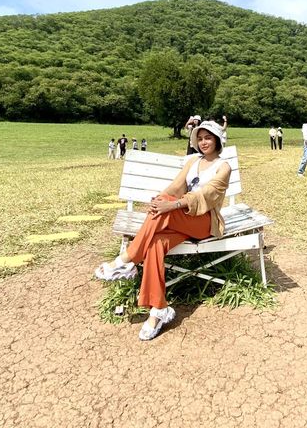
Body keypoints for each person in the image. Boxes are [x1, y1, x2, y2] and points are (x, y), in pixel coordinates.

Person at [95, 120, 231, 341]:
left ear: (217, 140)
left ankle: (128, 258)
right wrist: (160, 199)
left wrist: (172, 204)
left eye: (208, 137)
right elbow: (176, 187)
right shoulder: (193, 161)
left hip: (204, 222)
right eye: (200, 138)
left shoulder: (223, 166)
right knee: (156, 244)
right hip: (182, 219)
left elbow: (206, 195)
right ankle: (159, 310)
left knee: (166, 205)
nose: (204, 142)